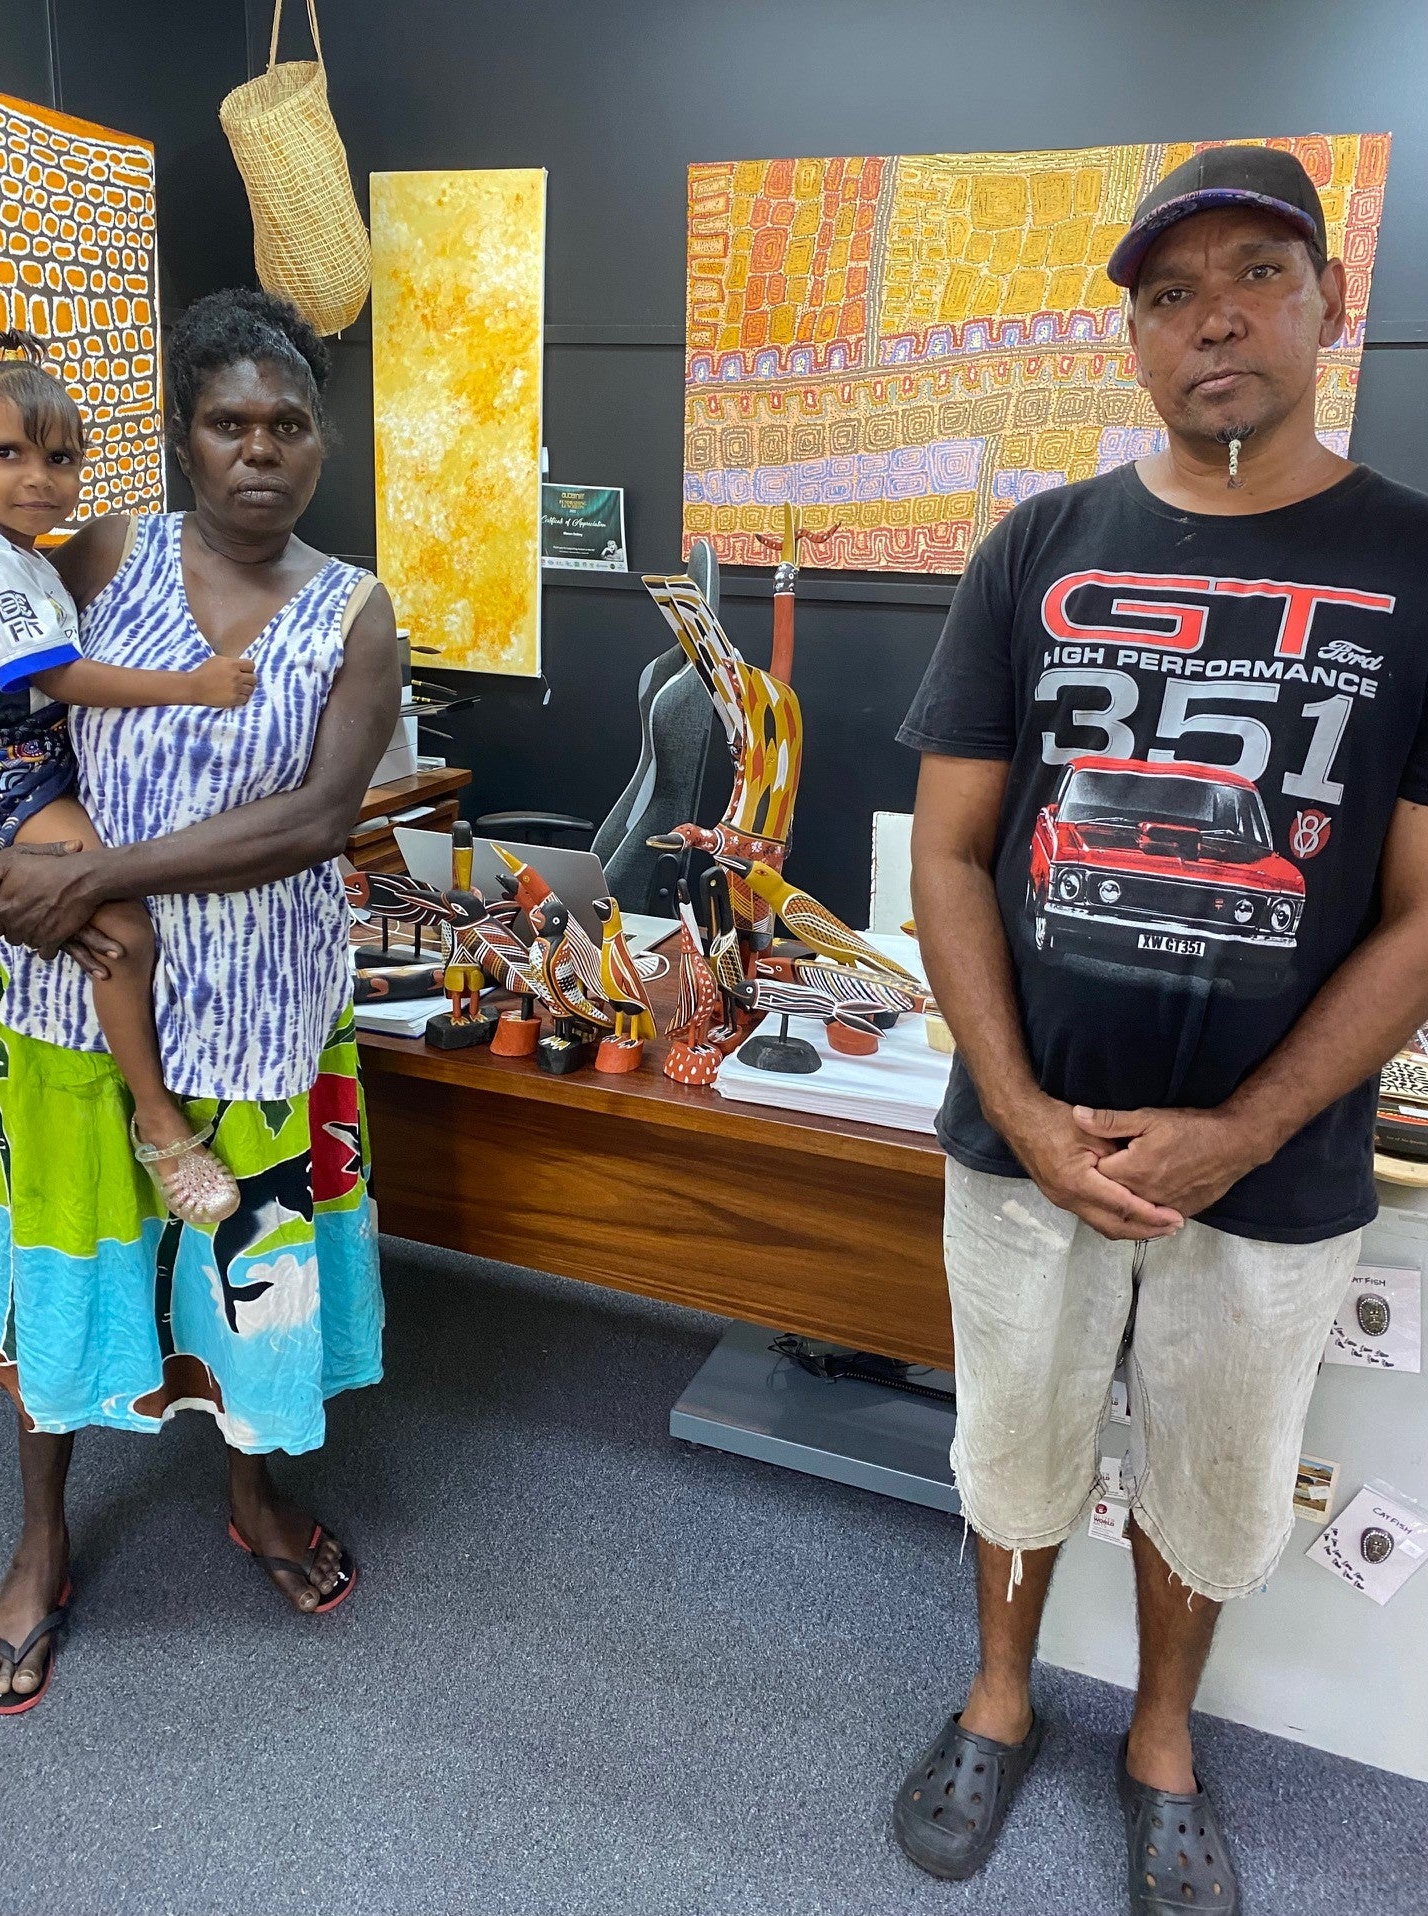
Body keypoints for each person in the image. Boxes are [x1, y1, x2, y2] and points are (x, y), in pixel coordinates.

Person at [893, 146, 1428, 1914]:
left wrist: (1249, 1127)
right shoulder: (1038, 549)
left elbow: (1424, 913)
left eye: (1255, 278)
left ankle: (1162, 1736)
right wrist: (1027, 1111)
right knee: (1015, 1441)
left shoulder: (1414, 567)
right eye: (1170, 292)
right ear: (1129, 339)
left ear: (1325, 305)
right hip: (1031, 1143)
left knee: (1213, 1479)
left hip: (1266, 1172)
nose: (1216, 322)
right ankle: (995, 1697)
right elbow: (952, 857)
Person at [0, 288, 401, 1715]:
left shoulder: (353, 613)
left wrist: (99, 875)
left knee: (250, 1263)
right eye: (228, 422)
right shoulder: (99, 551)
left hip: (258, 1019)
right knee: (73, 1257)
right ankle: (43, 1533)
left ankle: (252, 1494)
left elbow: (319, 817)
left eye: (288, 424)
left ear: (321, 440)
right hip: (76, 1005)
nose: (260, 451)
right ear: (185, 439)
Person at [0, 329, 250, 1225]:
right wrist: (195, 686)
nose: (38, 477)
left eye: (59, 458)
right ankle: (160, 1124)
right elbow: (54, 677)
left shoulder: (5, 550)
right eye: (7, 453)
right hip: (3, 774)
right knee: (122, 930)